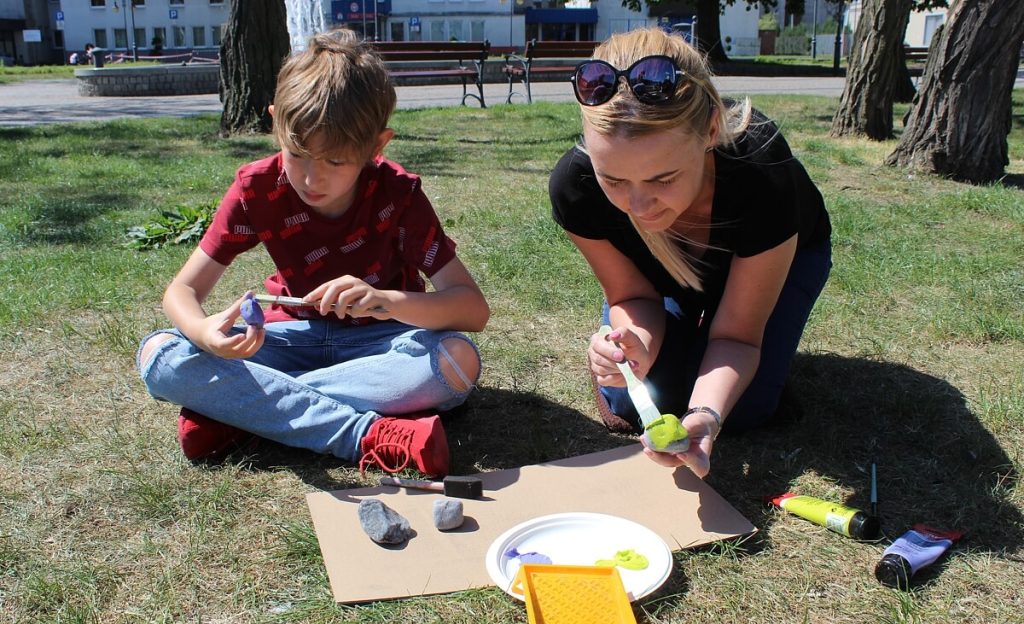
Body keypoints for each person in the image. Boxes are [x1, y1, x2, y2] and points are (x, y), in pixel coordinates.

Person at [137, 30, 490, 476]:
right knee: (161, 353)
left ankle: (242, 412)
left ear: (376, 147)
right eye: (298, 153)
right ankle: (363, 435)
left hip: (383, 344)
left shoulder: (398, 196)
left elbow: (472, 310)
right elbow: (182, 292)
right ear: (275, 124)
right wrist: (204, 332)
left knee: (457, 361)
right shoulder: (257, 190)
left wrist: (386, 301)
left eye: (336, 162)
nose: (310, 178)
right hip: (288, 339)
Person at [549, 27, 832, 478]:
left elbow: (737, 337)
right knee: (635, 397)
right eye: (615, 181)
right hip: (663, 281)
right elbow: (631, 296)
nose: (639, 208)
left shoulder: (763, 174)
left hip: (785, 256)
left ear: (711, 130)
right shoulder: (576, 187)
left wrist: (707, 415)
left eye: (663, 179)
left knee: (743, 410)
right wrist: (634, 344)